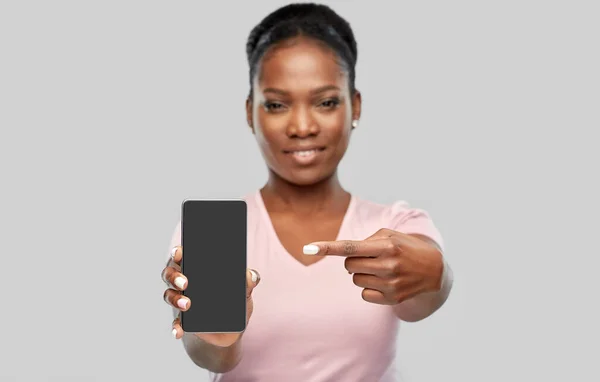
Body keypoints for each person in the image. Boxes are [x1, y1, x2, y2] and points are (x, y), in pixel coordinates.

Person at [161, 3, 454, 381]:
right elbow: (211, 357)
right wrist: (217, 336)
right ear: (251, 112)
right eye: (277, 104)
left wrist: (439, 276)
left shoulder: (396, 225)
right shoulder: (212, 235)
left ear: (355, 107)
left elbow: (420, 302)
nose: (302, 126)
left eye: (326, 102)